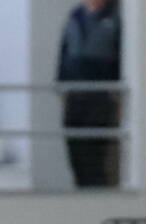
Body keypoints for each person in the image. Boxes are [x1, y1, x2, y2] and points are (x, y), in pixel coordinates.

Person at [57, 0, 121, 189]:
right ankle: (80, 187)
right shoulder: (75, 16)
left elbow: (121, 54)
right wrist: (61, 82)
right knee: (75, 146)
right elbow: (64, 50)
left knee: (97, 150)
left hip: (101, 95)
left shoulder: (116, 17)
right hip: (75, 94)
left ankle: (98, 190)